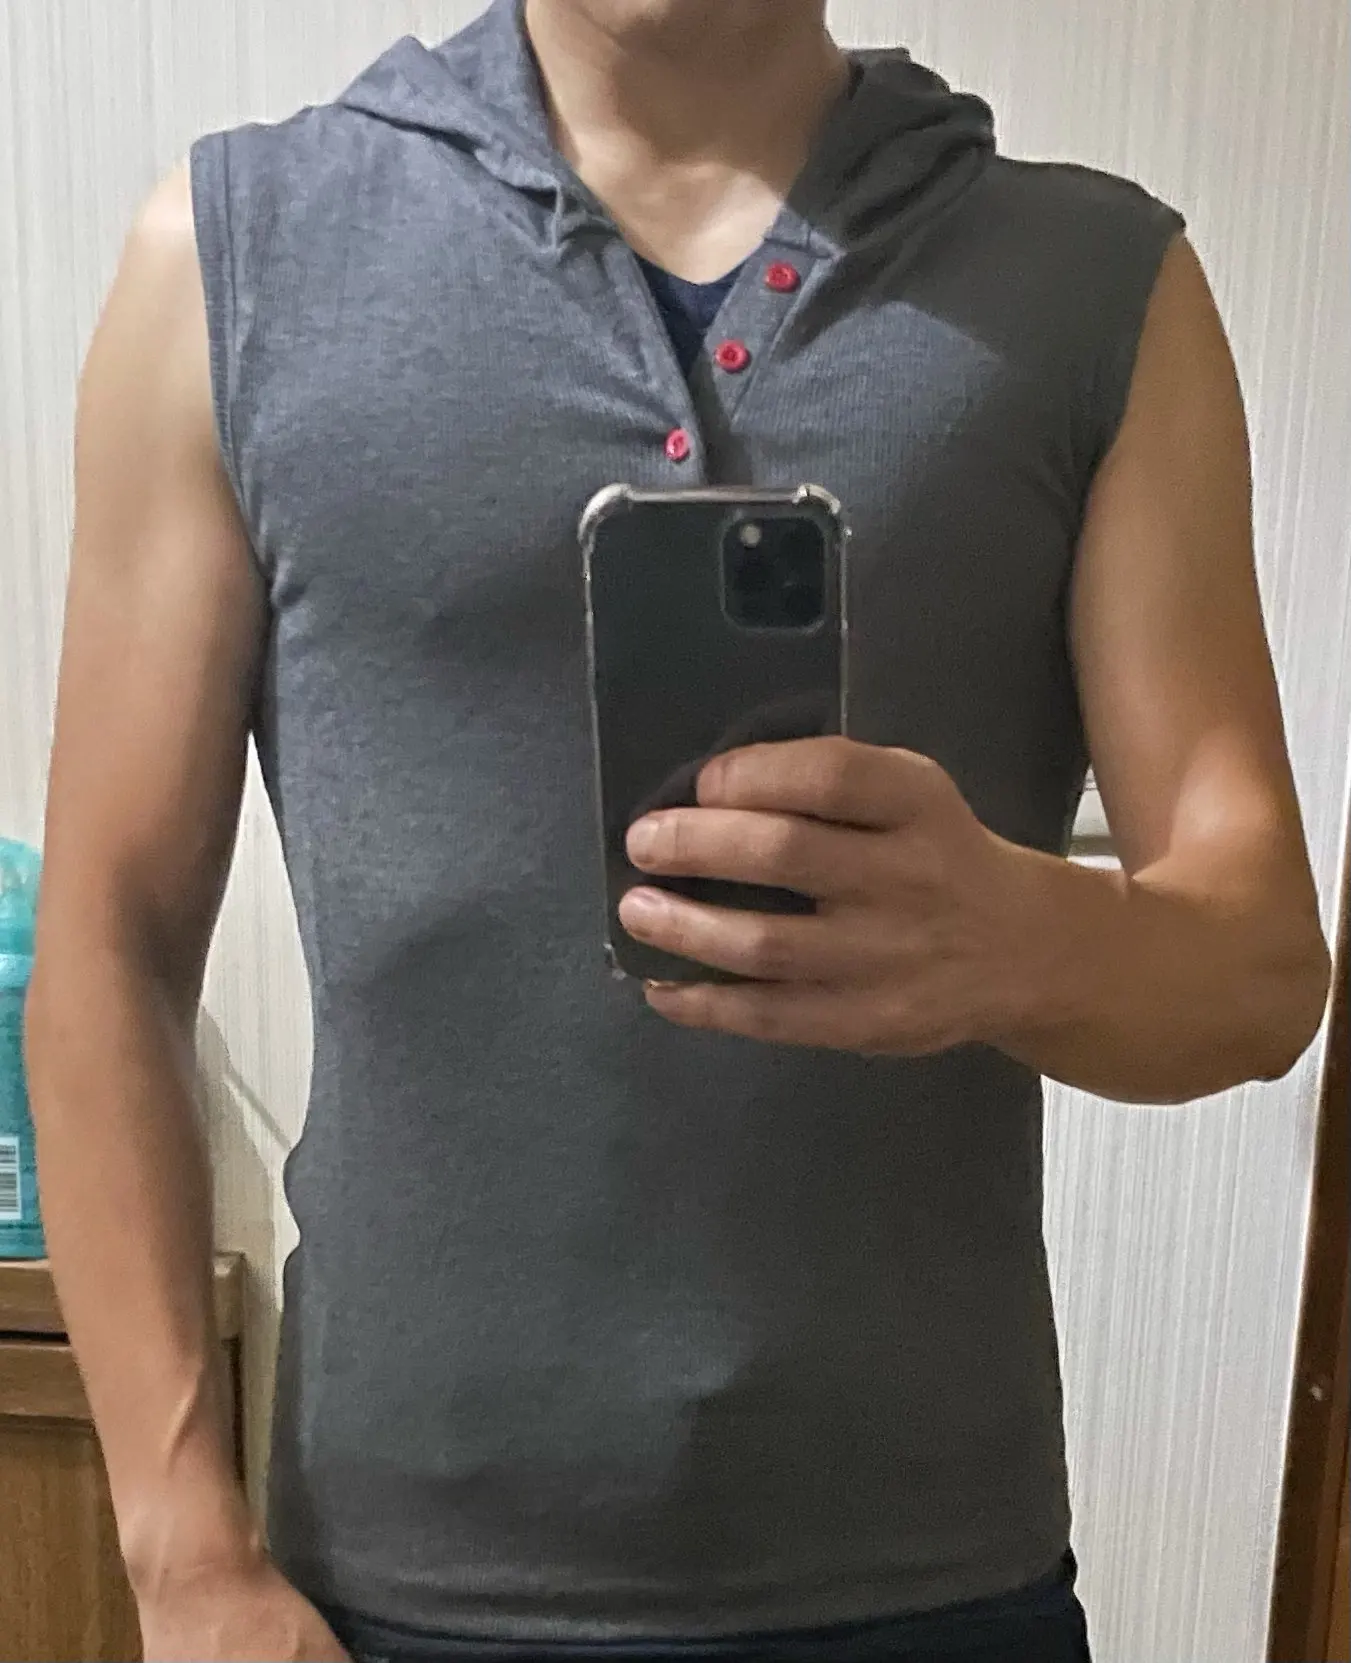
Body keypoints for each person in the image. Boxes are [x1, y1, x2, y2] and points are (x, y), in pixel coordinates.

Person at [26, 0, 1331, 1659]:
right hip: (396, 1592)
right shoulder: (234, 259)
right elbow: (111, 941)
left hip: (931, 1584)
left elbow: (1257, 968)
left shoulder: (1096, 289)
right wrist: (182, 1556)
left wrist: (1024, 941)